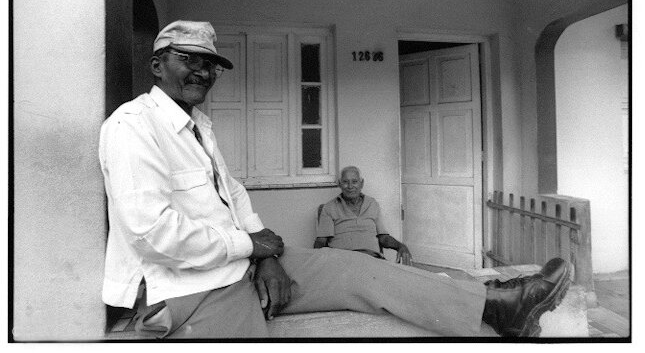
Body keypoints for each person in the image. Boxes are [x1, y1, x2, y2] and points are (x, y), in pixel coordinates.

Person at [99, 20, 571, 339]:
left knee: (363, 268)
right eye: (189, 59)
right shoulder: (132, 127)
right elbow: (152, 233)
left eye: (211, 64)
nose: (202, 71)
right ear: (158, 65)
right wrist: (252, 248)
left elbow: (234, 197)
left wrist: (266, 256)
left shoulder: (199, 125)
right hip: (186, 292)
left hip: (239, 268)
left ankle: (500, 307)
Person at [315, 166, 412, 265]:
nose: (350, 186)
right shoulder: (329, 207)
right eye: (345, 182)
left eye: (354, 181)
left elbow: (383, 238)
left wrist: (401, 246)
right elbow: (321, 242)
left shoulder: (372, 203)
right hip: (343, 262)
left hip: (373, 260)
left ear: (362, 183)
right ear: (339, 184)